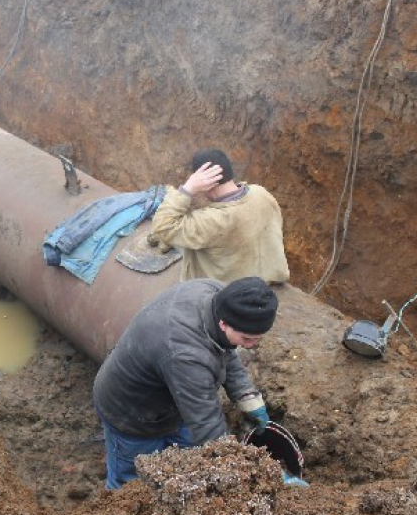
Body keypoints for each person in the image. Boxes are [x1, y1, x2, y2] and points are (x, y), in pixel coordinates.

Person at [93, 276, 276, 490]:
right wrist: (259, 476)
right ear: (223, 323)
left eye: (257, 338)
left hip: (175, 404)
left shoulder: (215, 295)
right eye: (247, 339)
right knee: (132, 487)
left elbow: (224, 347)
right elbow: (206, 425)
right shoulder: (185, 354)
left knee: (191, 466)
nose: (252, 345)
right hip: (132, 413)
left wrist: (246, 396)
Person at [150, 148, 289, 284]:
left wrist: (188, 189)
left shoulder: (211, 220)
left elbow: (162, 227)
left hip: (230, 292)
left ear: (205, 182)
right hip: (268, 276)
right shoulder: (261, 193)